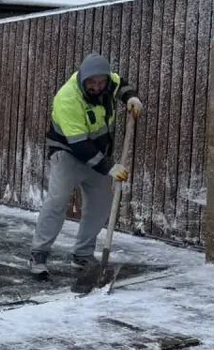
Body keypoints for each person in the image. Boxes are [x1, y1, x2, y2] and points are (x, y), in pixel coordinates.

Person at [29, 53, 143, 277]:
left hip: (98, 153)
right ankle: (38, 253)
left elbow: (122, 85)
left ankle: (82, 254)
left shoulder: (108, 82)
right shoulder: (67, 99)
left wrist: (131, 98)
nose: (97, 87)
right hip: (68, 152)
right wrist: (109, 168)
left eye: (101, 83)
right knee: (57, 200)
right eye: (92, 83)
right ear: (82, 78)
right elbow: (79, 145)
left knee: (101, 205)